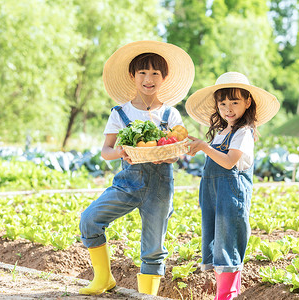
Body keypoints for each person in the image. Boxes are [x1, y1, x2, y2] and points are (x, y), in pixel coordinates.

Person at [79, 40, 194, 296]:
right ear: (133, 76)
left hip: (159, 188)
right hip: (127, 184)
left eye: (155, 73)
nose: (148, 78)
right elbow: (106, 151)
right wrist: (120, 152)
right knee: (90, 220)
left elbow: (175, 153)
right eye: (142, 72)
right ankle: (103, 278)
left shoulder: (171, 115)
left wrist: (166, 157)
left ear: (164, 78)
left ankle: (147, 295)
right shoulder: (120, 113)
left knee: (153, 248)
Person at [185, 72, 279, 299]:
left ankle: (227, 295)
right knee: (217, 245)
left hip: (231, 198)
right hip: (214, 198)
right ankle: (224, 294)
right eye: (223, 103)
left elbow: (228, 162)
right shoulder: (221, 133)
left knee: (228, 246)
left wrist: (204, 147)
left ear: (247, 102)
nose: (228, 108)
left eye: (235, 102)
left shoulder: (243, 133)